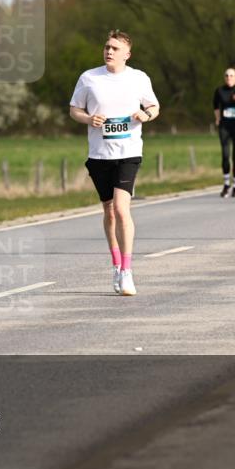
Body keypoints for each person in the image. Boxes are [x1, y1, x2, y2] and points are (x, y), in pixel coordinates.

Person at [69, 30, 160, 297]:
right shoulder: (89, 78)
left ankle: (128, 271)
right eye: (107, 47)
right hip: (99, 154)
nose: (109, 51)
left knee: (122, 208)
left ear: (127, 54)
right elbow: (75, 109)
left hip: (128, 151)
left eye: (115, 48)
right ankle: (116, 263)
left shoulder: (138, 78)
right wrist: (89, 119)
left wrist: (145, 115)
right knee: (108, 211)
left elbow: (154, 106)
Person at [213, 67, 235, 197]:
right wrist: (217, 118)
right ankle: (226, 183)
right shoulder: (219, 91)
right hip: (224, 127)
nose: (229, 78)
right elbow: (216, 106)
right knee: (225, 154)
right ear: (224, 77)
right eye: (227, 75)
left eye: (232, 75)